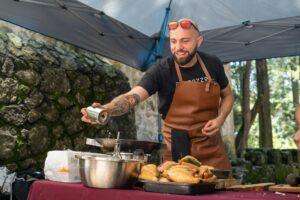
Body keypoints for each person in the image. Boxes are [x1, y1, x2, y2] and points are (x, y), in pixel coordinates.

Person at [81, 18, 234, 170]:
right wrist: (106, 109)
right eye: (173, 41)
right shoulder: (161, 70)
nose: (178, 47)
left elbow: (227, 95)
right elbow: (133, 96)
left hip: (212, 152)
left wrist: (220, 119)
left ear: (199, 41)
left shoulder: (213, 64)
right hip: (177, 153)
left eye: (185, 41)